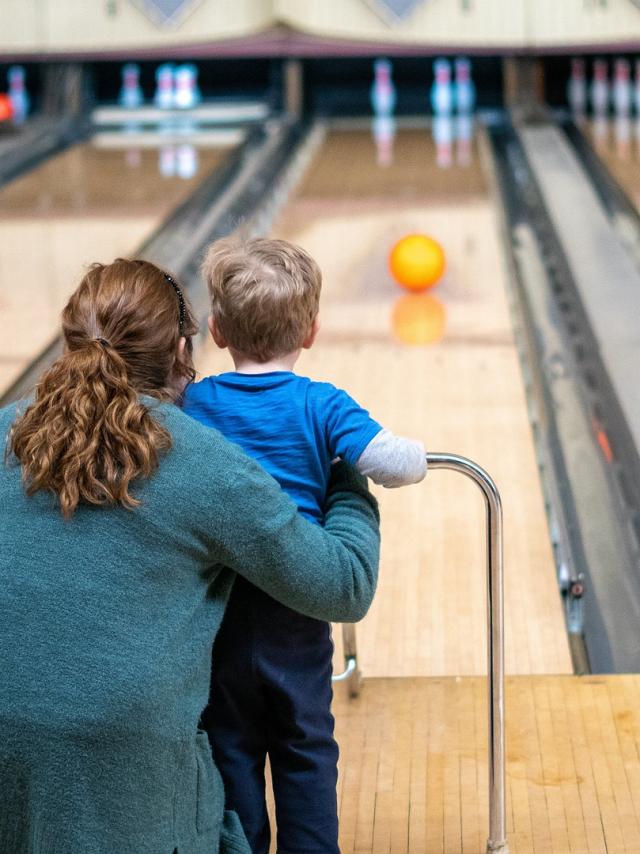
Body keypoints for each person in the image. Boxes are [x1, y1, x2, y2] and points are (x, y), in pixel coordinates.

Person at [0, 258, 381, 854]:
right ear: (183, 348)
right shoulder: (201, 462)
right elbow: (345, 584)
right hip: (134, 789)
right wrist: (347, 481)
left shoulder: (6, 432)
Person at [183, 237, 427, 854]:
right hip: (297, 610)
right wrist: (420, 456)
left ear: (216, 330)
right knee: (305, 747)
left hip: (220, 616)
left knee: (229, 746)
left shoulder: (195, 402)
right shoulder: (321, 404)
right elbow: (394, 465)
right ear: (311, 331)